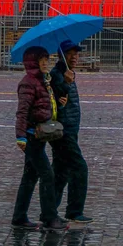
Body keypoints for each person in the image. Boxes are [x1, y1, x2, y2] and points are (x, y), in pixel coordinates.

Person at [12, 46, 67, 231]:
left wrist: (58, 102)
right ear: (32, 62)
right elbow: (22, 112)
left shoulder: (43, 81)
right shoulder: (28, 83)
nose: (46, 62)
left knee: (29, 177)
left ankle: (19, 217)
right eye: (42, 59)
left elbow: (43, 106)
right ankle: (50, 217)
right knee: (47, 175)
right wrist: (20, 136)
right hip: (31, 136)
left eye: (47, 59)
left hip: (38, 135)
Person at [49, 40, 93, 223]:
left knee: (60, 172)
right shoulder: (57, 74)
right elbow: (57, 99)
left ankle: (49, 210)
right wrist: (66, 82)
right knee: (79, 168)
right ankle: (74, 211)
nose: (75, 57)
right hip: (63, 131)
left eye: (77, 54)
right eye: (71, 54)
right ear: (61, 55)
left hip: (70, 129)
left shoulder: (67, 73)